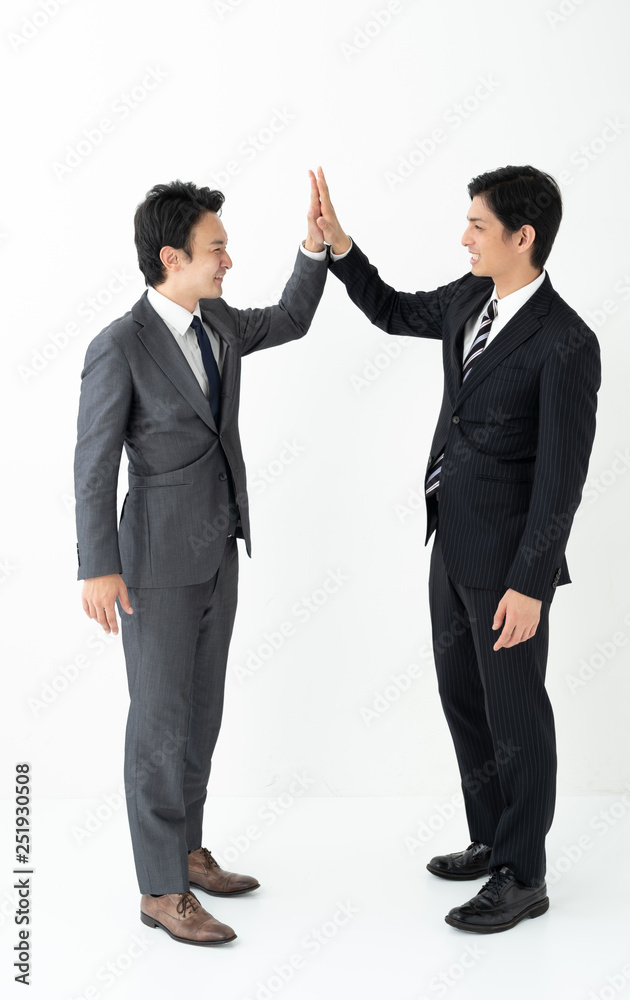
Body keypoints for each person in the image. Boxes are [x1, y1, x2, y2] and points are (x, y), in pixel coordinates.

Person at [313, 164, 601, 933]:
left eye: (476, 224)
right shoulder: (473, 298)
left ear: (522, 236)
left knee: (515, 715)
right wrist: (340, 248)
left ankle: (522, 873)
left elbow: (560, 478)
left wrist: (530, 583)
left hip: (510, 562)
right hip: (450, 539)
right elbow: (394, 311)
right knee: (462, 699)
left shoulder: (566, 341)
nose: (463, 236)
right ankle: (490, 836)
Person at [74, 175, 328, 946]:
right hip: (149, 561)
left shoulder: (215, 321)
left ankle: (186, 849)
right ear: (171, 256)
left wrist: (313, 250)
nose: (227, 259)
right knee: (157, 723)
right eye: (216, 248)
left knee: (202, 713)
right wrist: (97, 566)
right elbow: (93, 462)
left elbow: (288, 319)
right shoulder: (119, 344)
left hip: (219, 550)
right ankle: (160, 891)